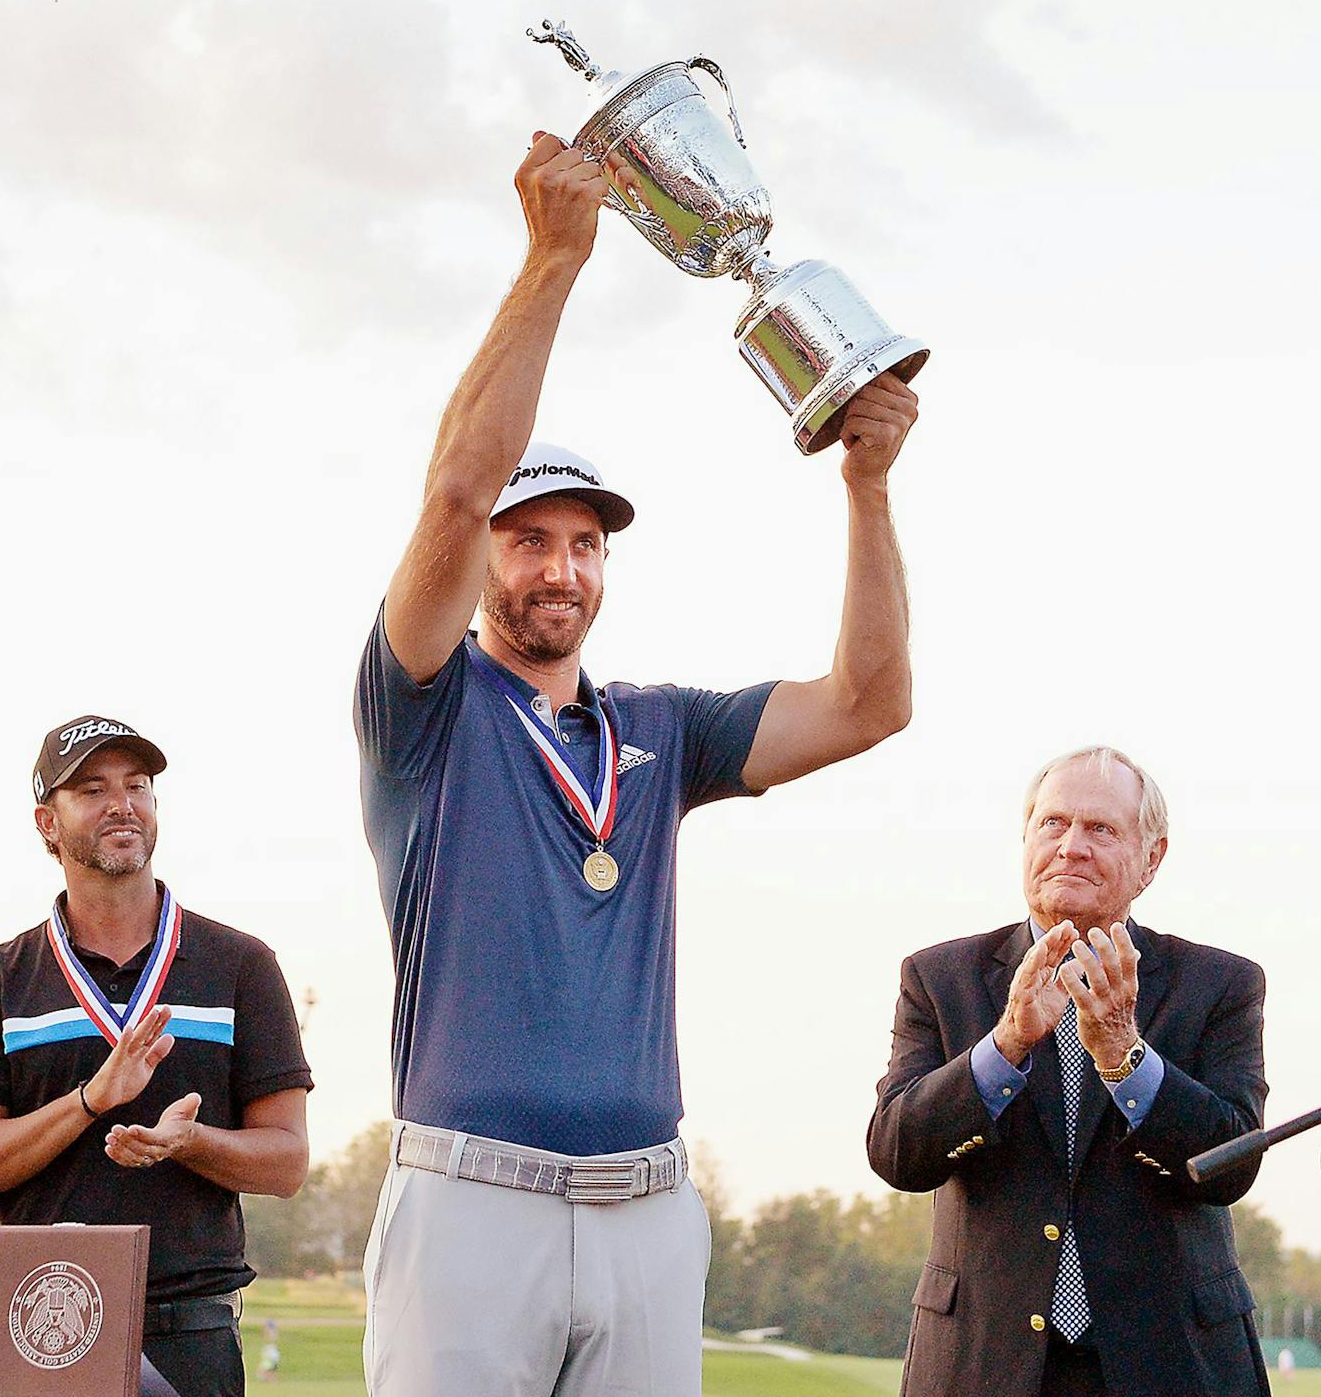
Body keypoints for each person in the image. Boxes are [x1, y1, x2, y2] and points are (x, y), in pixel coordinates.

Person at [354, 133, 919, 1397]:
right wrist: (555, 260)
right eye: (530, 541)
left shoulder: (662, 733)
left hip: (650, 1210)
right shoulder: (422, 707)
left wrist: (868, 489)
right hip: (471, 1202)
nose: (559, 568)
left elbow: (871, 702)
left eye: (585, 545)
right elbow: (455, 490)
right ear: (489, 561)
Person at [867, 747, 1269, 1397]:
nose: (1071, 847)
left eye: (1101, 829)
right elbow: (896, 1154)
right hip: (984, 1361)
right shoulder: (940, 980)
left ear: (1152, 858)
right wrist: (1006, 1044)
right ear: (1026, 838)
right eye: (1053, 824)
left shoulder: (1220, 985)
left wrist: (1124, 1058)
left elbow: (1231, 1164)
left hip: (1171, 1362)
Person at [0, 716, 313, 1397]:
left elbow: (286, 1162)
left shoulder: (241, 965)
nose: (123, 803)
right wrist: (88, 1102)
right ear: (48, 822)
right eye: (92, 789)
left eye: (138, 785)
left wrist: (190, 1142)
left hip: (188, 1332)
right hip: (39, 1323)